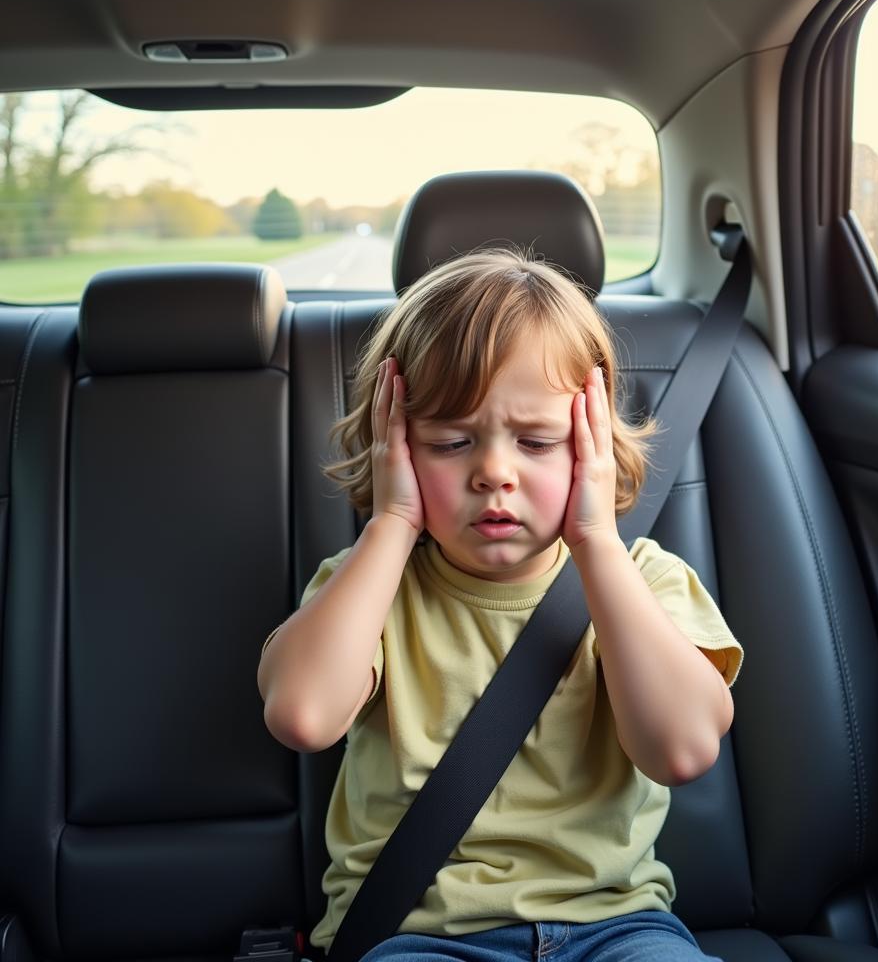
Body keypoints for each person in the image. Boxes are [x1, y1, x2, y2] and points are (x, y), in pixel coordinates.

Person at [257, 248, 744, 962]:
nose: (493, 472)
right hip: (416, 935)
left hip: (616, 927)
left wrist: (597, 543)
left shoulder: (643, 580)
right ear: (398, 448)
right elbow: (302, 714)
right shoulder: (369, 590)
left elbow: (682, 748)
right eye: (451, 442)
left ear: (594, 446)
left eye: (538, 442)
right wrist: (392, 521)